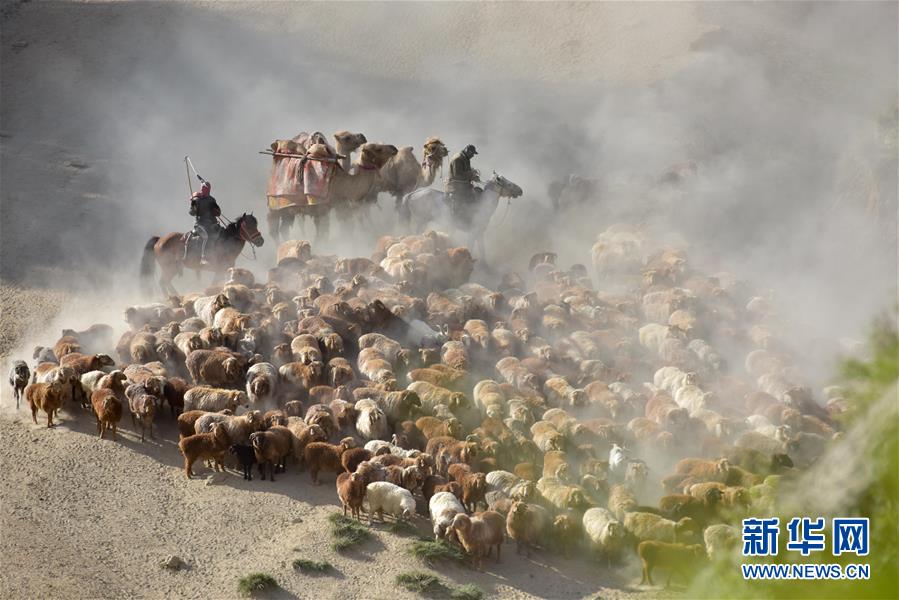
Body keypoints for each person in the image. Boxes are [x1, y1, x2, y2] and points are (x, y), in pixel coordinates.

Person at [185, 181, 222, 265]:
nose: (204, 190)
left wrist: (216, 210)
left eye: (206, 189)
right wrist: (193, 206)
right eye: (203, 188)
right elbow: (191, 212)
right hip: (200, 224)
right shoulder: (196, 199)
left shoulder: (211, 199)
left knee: (221, 235)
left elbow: (218, 213)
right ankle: (203, 257)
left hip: (212, 224)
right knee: (206, 237)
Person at [446, 144, 480, 225]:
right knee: (468, 200)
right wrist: (471, 174)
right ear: (467, 151)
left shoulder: (465, 158)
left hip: (463, 184)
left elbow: (466, 171)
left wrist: (473, 176)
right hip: (456, 186)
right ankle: (460, 220)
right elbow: (457, 175)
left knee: (478, 192)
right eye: (472, 153)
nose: (473, 156)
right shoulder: (458, 159)